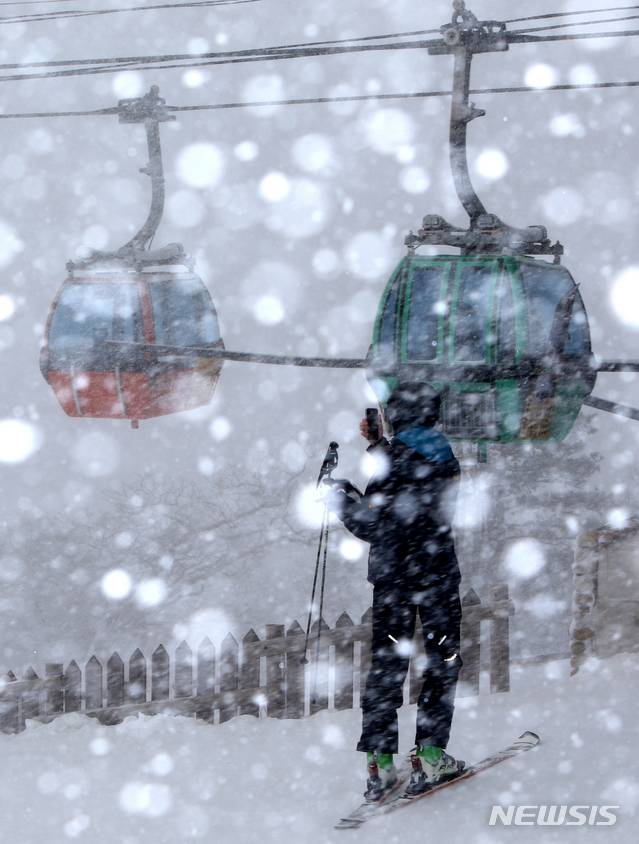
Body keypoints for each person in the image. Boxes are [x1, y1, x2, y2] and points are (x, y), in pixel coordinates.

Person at [323, 383, 464, 801]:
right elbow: (411, 488)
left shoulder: (394, 464)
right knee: (443, 659)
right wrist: (378, 447)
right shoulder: (444, 457)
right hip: (437, 578)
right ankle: (431, 754)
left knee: (387, 667)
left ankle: (381, 764)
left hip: (393, 585)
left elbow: (375, 524)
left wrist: (339, 498)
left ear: (397, 416)